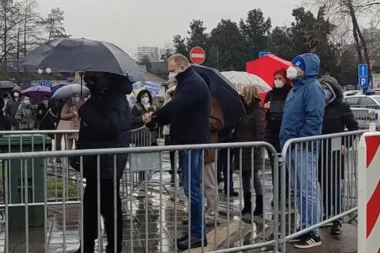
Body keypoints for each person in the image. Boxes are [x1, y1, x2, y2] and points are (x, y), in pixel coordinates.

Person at [146, 54, 209, 250]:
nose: (170, 74)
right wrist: (158, 119)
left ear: (182, 67)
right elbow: (178, 109)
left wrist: (155, 118)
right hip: (186, 140)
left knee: (193, 189)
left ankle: (198, 234)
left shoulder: (192, 83)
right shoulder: (187, 82)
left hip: (192, 141)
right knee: (190, 188)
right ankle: (194, 231)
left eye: (172, 70)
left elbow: (176, 106)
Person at [73, 71, 132, 253]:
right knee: (90, 207)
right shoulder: (101, 95)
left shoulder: (115, 97)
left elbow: (111, 126)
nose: (89, 80)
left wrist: (84, 110)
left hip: (107, 162)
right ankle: (87, 245)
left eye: (93, 76)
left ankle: (114, 247)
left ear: (105, 76)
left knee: (110, 209)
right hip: (95, 163)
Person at [280, 53, 325, 249]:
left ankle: (313, 232)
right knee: (299, 190)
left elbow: (314, 118)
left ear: (307, 69)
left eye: (297, 66)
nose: (292, 68)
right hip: (291, 145)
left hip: (303, 147)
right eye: (293, 64)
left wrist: (301, 139)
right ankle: (304, 227)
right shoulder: (295, 90)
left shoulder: (313, 88)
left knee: (308, 190)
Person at [318, 75, 358, 236]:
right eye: (322, 88)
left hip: (335, 151)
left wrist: (345, 144)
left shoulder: (342, 107)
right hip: (320, 150)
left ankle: (337, 219)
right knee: (323, 184)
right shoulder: (317, 106)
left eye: (327, 88)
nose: (324, 91)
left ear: (334, 90)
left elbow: (353, 127)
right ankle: (327, 215)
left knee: (333, 185)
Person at [235, 86, 265, 217]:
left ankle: (260, 205)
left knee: (255, 176)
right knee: (244, 176)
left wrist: (257, 145)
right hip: (242, 146)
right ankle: (247, 205)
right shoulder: (242, 110)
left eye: (244, 94)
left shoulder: (257, 111)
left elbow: (260, 130)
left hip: (252, 148)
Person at [263, 69, 292, 205]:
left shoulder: (290, 93)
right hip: (271, 133)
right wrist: (266, 109)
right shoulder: (270, 94)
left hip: (284, 132)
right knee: (275, 166)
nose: (277, 80)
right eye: (275, 78)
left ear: (286, 79)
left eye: (280, 78)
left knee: (284, 166)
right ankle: (277, 194)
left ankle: (285, 194)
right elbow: (266, 115)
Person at [203, 96, 224, 226]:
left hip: (207, 149)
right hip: (195, 146)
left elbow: (218, 123)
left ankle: (212, 213)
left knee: (209, 183)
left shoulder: (213, 101)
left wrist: (201, 119)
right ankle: (197, 213)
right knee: (195, 184)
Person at [163, 79, 179, 182]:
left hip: (178, 129)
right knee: (171, 151)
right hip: (168, 131)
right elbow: (165, 110)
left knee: (180, 150)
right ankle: (173, 167)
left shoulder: (178, 95)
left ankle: (180, 167)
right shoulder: (167, 97)